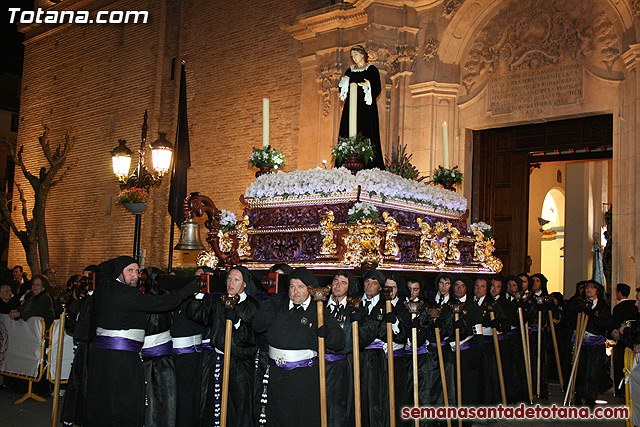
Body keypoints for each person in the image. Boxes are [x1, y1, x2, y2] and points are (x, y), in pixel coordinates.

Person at [86, 256, 200, 427]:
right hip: (121, 360)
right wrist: (187, 290)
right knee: (124, 403)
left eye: (137, 271)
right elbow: (163, 303)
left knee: (103, 401)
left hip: (101, 357)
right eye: (130, 271)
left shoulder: (104, 289)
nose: (135, 275)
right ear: (119, 273)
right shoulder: (127, 294)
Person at [252, 267, 345, 427]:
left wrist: (327, 334)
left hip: (303, 378)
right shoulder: (278, 306)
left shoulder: (318, 310)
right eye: (292, 286)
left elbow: (340, 342)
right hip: (275, 376)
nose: (295, 291)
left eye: (300, 287)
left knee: (300, 419)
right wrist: (271, 302)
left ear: (309, 289)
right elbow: (257, 325)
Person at [187, 265, 260, 427]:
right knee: (216, 404)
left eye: (236, 279)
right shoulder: (220, 302)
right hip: (219, 360)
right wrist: (199, 294)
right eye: (229, 278)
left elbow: (251, 338)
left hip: (239, 365)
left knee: (239, 407)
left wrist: (237, 322)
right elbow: (199, 315)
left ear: (245, 284)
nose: (231, 283)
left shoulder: (252, 306)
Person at [565, 280, 613, 408]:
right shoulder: (578, 303)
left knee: (593, 371)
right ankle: (579, 395)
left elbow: (605, 323)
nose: (589, 290)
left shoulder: (602, 306)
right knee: (580, 369)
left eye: (592, 288)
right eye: (587, 287)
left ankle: (591, 397)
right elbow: (569, 320)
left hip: (595, 343)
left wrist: (593, 316)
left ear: (598, 291)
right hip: (581, 341)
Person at [338, 44, 384, 170]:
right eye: (352, 55)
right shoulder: (350, 70)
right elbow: (342, 88)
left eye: (356, 54)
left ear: (362, 55)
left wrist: (367, 85)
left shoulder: (371, 70)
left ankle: (370, 165)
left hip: (366, 108)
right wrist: (344, 83)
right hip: (351, 107)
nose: (354, 58)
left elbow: (377, 87)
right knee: (348, 132)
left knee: (367, 133)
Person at [612, 283, 638, 398]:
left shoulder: (618, 308)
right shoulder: (633, 305)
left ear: (619, 293)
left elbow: (615, 325)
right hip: (631, 341)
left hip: (624, 341)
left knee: (620, 367)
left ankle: (621, 391)